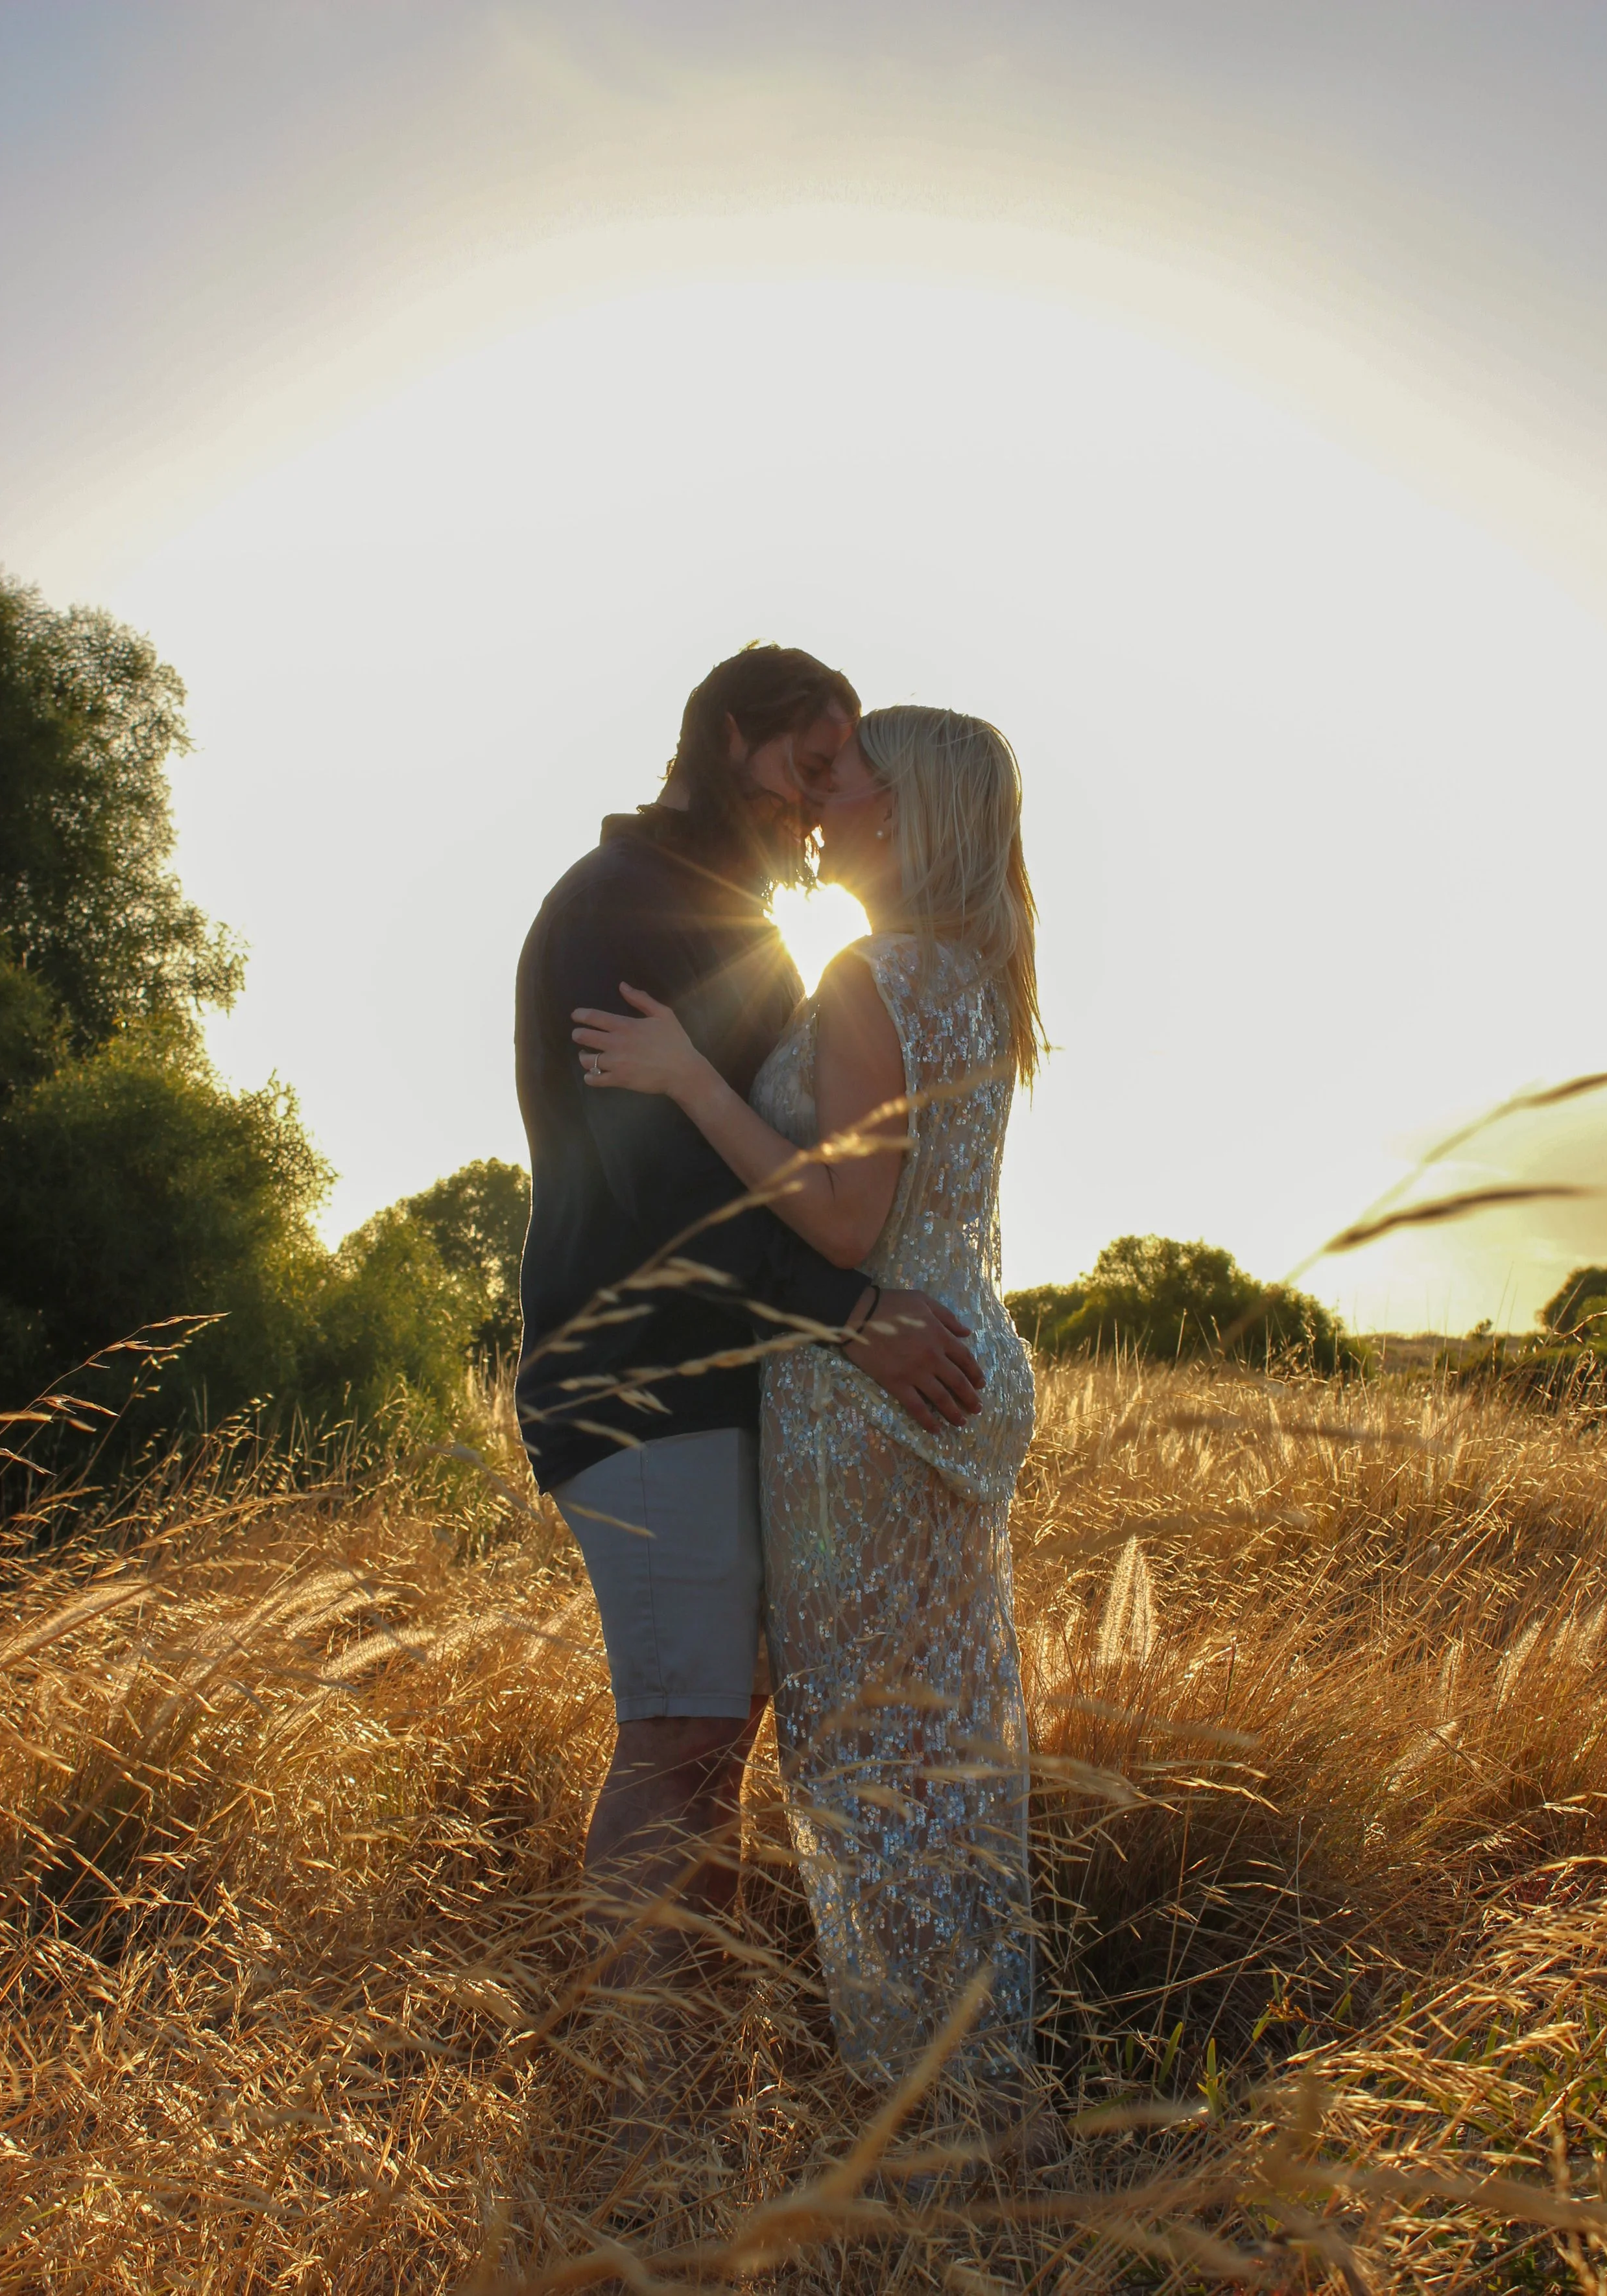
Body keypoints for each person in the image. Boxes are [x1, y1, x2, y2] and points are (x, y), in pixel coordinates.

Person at [571, 704, 1043, 2125]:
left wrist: (690, 1078)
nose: (821, 802)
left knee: (863, 1764)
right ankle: (978, 2084)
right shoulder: (975, 974)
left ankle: (916, 2112)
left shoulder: (866, 974)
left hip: (860, 1398)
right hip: (957, 1378)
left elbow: (841, 1223)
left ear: (909, 814)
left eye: (848, 780)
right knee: (949, 1750)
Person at [514, 649, 988, 1987]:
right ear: (734, 741)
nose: (822, 797)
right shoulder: (623, 908)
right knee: (677, 1738)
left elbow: (783, 1162)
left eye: (841, 772)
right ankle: (650, 2101)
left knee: (716, 1737)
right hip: (639, 1378)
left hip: (727, 1384)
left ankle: (693, 2088)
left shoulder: (726, 914)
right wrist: (849, 1311)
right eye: (810, 761)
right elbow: (652, 1182)